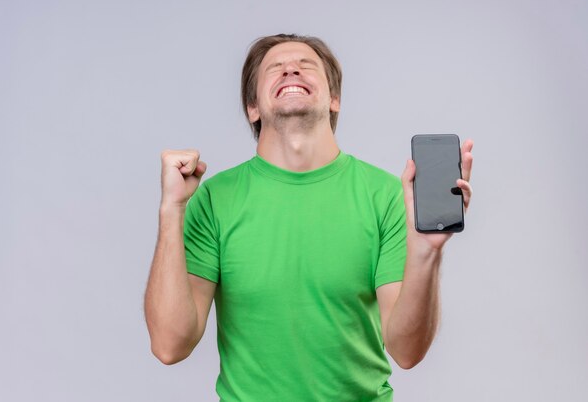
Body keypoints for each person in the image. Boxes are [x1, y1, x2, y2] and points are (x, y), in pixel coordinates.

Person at [144, 34, 474, 401]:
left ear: (334, 99)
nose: (290, 69)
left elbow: (407, 352)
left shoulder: (388, 195)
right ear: (253, 107)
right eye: (275, 68)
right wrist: (171, 210)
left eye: (306, 65)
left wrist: (428, 252)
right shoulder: (214, 199)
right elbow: (170, 346)